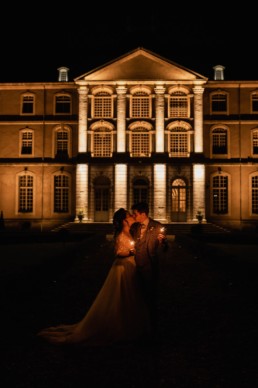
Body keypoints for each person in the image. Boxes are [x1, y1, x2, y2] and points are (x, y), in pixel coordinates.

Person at [37, 208, 151, 346]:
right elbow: (118, 252)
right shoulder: (121, 235)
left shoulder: (131, 231)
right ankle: (120, 327)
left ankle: (129, 324)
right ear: (125, 220)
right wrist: (131, 251)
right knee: (121, 297)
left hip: (129, 268)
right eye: (130, 215)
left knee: (129, 297)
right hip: (122, 269)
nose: (133, 216)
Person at [130, 201, 167, 339]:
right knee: (137, 298)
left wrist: (163, 242)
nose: (134, 216)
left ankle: (152, 330)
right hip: (134, 267)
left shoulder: (157, 226)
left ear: (143, 214)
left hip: (150, 268)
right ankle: (139, 328)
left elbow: (164, 249)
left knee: (151, 299)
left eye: (135, 214)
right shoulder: (134, 227)